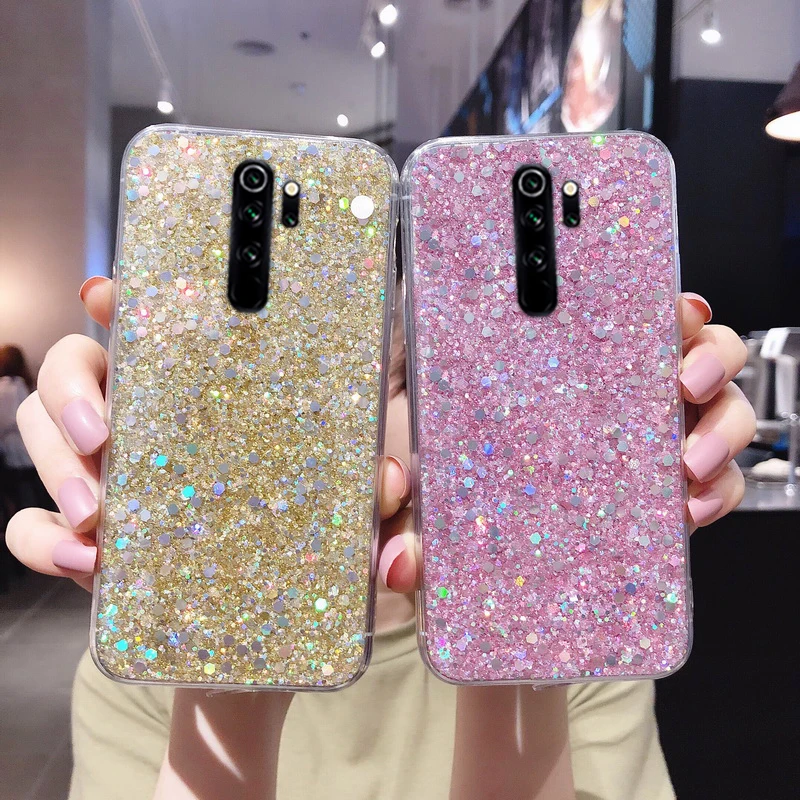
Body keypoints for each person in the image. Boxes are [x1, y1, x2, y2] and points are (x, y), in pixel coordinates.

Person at [6, 276, 754, 800]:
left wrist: (513, 634)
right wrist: (228, 670)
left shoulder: (578, 640)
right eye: (310, 378)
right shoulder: (156, 655)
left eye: (425, 376)